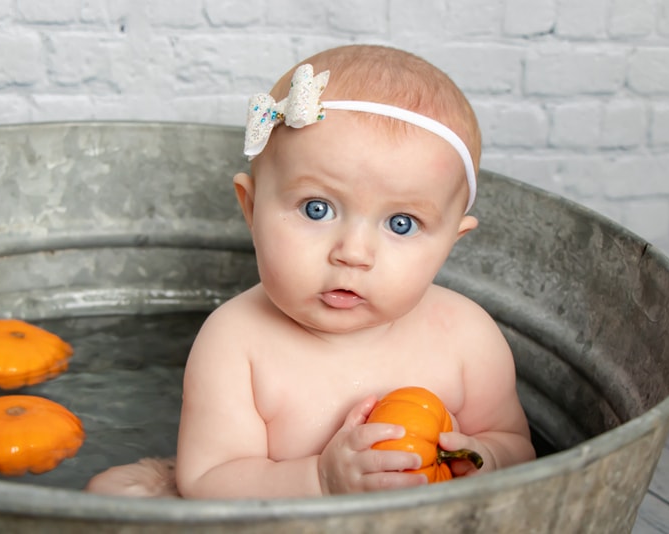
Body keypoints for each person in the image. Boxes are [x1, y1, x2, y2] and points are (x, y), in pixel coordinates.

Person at [86, 44, 536, 499]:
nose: (353, 253)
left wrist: (487, 460)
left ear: (449, 245)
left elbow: (516, 445)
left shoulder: (467, 336)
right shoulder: (236, 342)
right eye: (317, 209)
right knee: (112, 496)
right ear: (251, 207)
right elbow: (210, 481)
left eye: (402, 223)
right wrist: (320, 479)